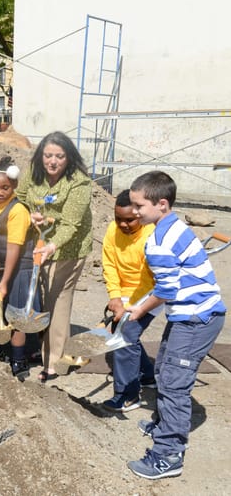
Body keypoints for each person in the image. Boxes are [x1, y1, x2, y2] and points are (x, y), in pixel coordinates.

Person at [126, 171, 225, 480]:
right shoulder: (173, 226)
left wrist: (139, 310)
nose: (135, 212)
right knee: (163, 369)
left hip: (197, 319)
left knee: (173, 382)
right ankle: (166, 424)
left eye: (139, 206)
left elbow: (166, 291)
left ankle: (169, 454)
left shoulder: (159, 242)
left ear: (162, 204)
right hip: (189, 315)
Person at [16, 131, 92, 383]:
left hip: (68, 248)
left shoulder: (79, 182)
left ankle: (53, 360)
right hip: (41, 241)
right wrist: (31, 214)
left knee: (58, 299)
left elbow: (71, 224)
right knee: (43, 296)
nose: (52, 161)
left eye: (59, 156)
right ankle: (44, 347)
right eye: (48, 155)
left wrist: (52, 245)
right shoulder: (34, 171)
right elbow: (21, 196)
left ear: (68, 158)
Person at [100, 189, 158, 413]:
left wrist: (127, 306)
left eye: (130, 220)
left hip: (151, 291)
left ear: (140, 215)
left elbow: (148, 278)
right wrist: (115, 296)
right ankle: (146, 376)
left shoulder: (151, 235)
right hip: (124, 292)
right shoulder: (112, 231)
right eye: (118, 219)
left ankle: (127, 395)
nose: (123, 225)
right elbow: (110, 264)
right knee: (125, 330)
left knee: (124, 335)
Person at [0, 157, 37, 380]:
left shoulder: (18, 210)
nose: (0, 192)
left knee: (16, 317)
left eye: (5, 188)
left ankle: (18, 359)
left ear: (14, 186)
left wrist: (4, 282)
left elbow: (14, 247)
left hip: (18, 268)